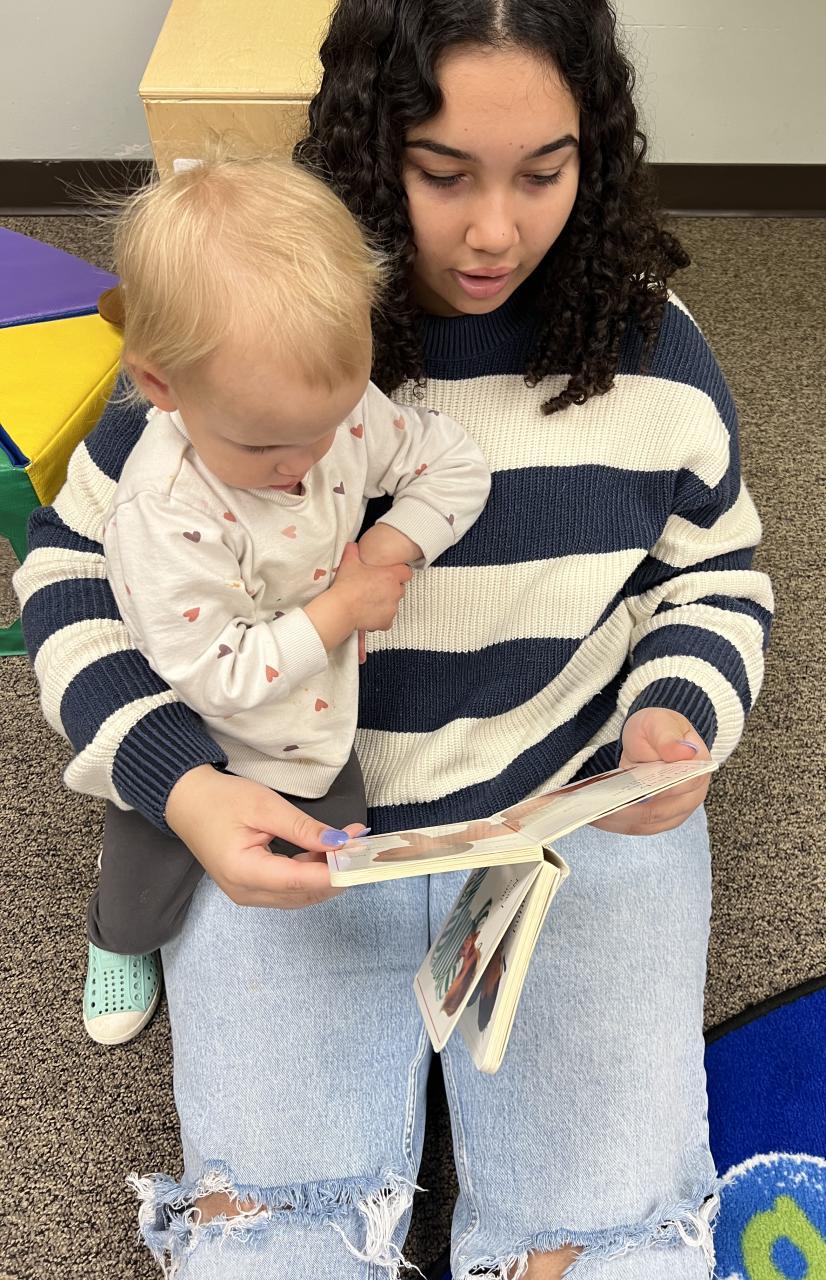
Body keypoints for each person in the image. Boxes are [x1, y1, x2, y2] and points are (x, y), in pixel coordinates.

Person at [15, 1, 774, 1276]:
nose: (495, 232)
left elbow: (714, 573)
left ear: (595, 153)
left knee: (610, 1244)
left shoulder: (658, 355)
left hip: (564, 813)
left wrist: (678, 711)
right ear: (374, 147)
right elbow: (68, 565)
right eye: (443, 174)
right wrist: (179, 786)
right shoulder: (247, 325)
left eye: (544, 171)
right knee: (267, 1238)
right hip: (293, 810)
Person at [75, 155, 491, 1044]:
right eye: (264, 446)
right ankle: (115, 934)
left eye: (325, 430)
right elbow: (215, 676)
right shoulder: (166, 508)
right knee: (145, 886)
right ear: (161, 387)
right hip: (196, 731)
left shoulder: (330, 416)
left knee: (330, 869)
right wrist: (340, 611)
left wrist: (386, 549)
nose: (301, 466)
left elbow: (454, 464)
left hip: (311, 726)